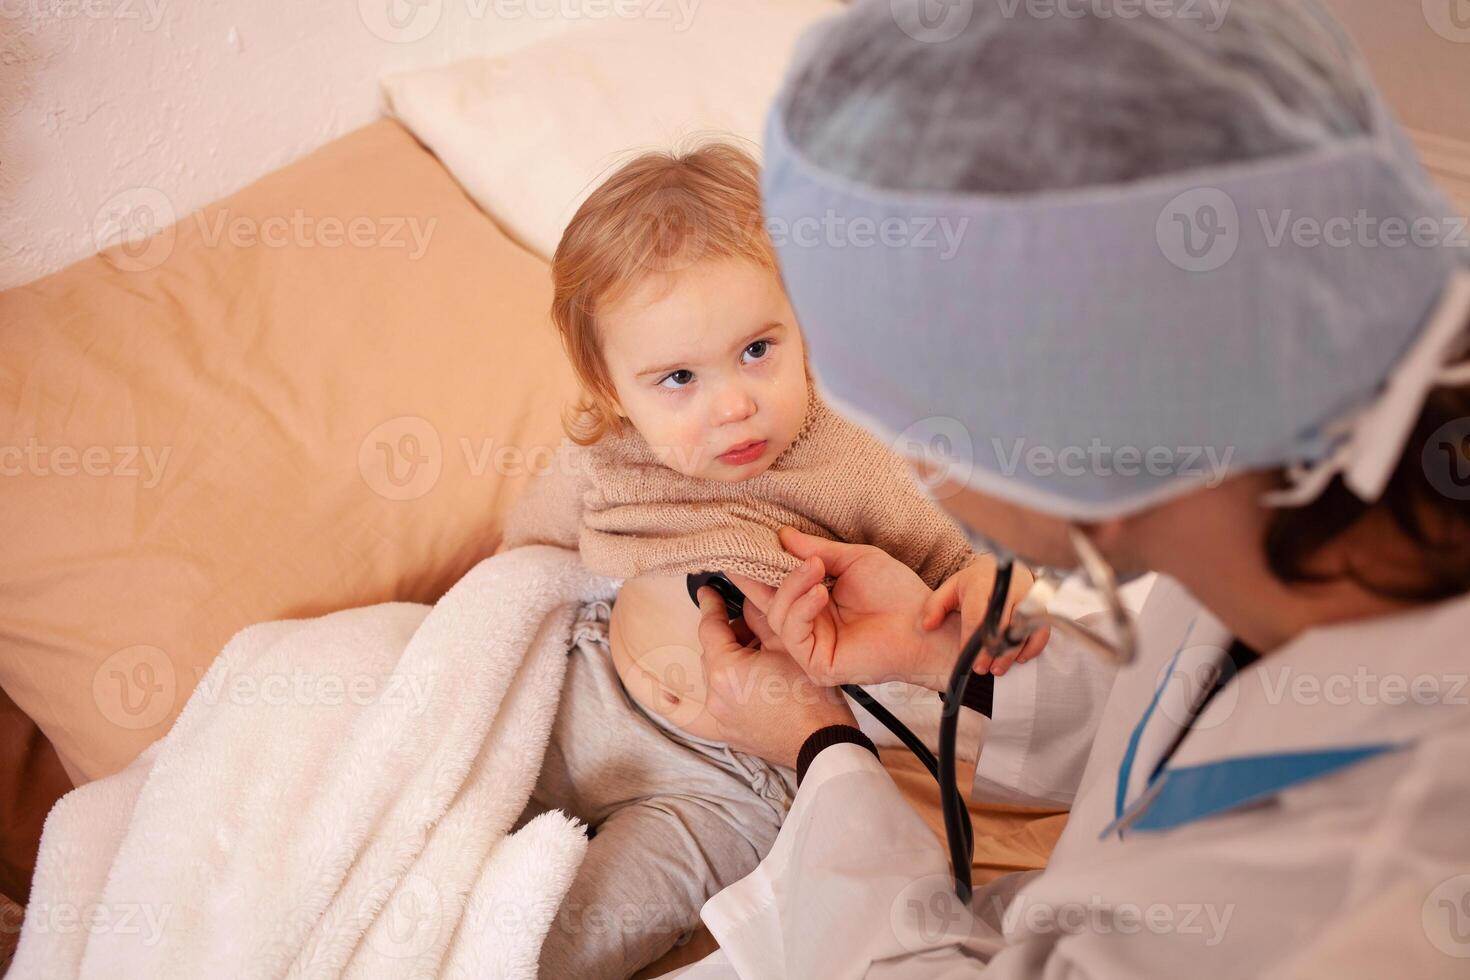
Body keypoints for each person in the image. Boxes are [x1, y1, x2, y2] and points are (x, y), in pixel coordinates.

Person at [666, 0, 1470, 976]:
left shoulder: (1380, 898)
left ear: (1079, 456)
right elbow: (1213, 733)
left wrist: (819, 748)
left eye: (917, 430)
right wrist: (965, 661)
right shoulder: (1275, 447)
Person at [502, 142, 1044, 978]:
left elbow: (959, 564)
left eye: (758, 350)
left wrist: (988, 585)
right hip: (593, 689)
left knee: (556, 946)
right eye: (677, 377)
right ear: (611, 389)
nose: (733, 406)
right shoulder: (603, 455)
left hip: (731, 783)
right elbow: (521, 571)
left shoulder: (852, 460)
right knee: (454, 803)